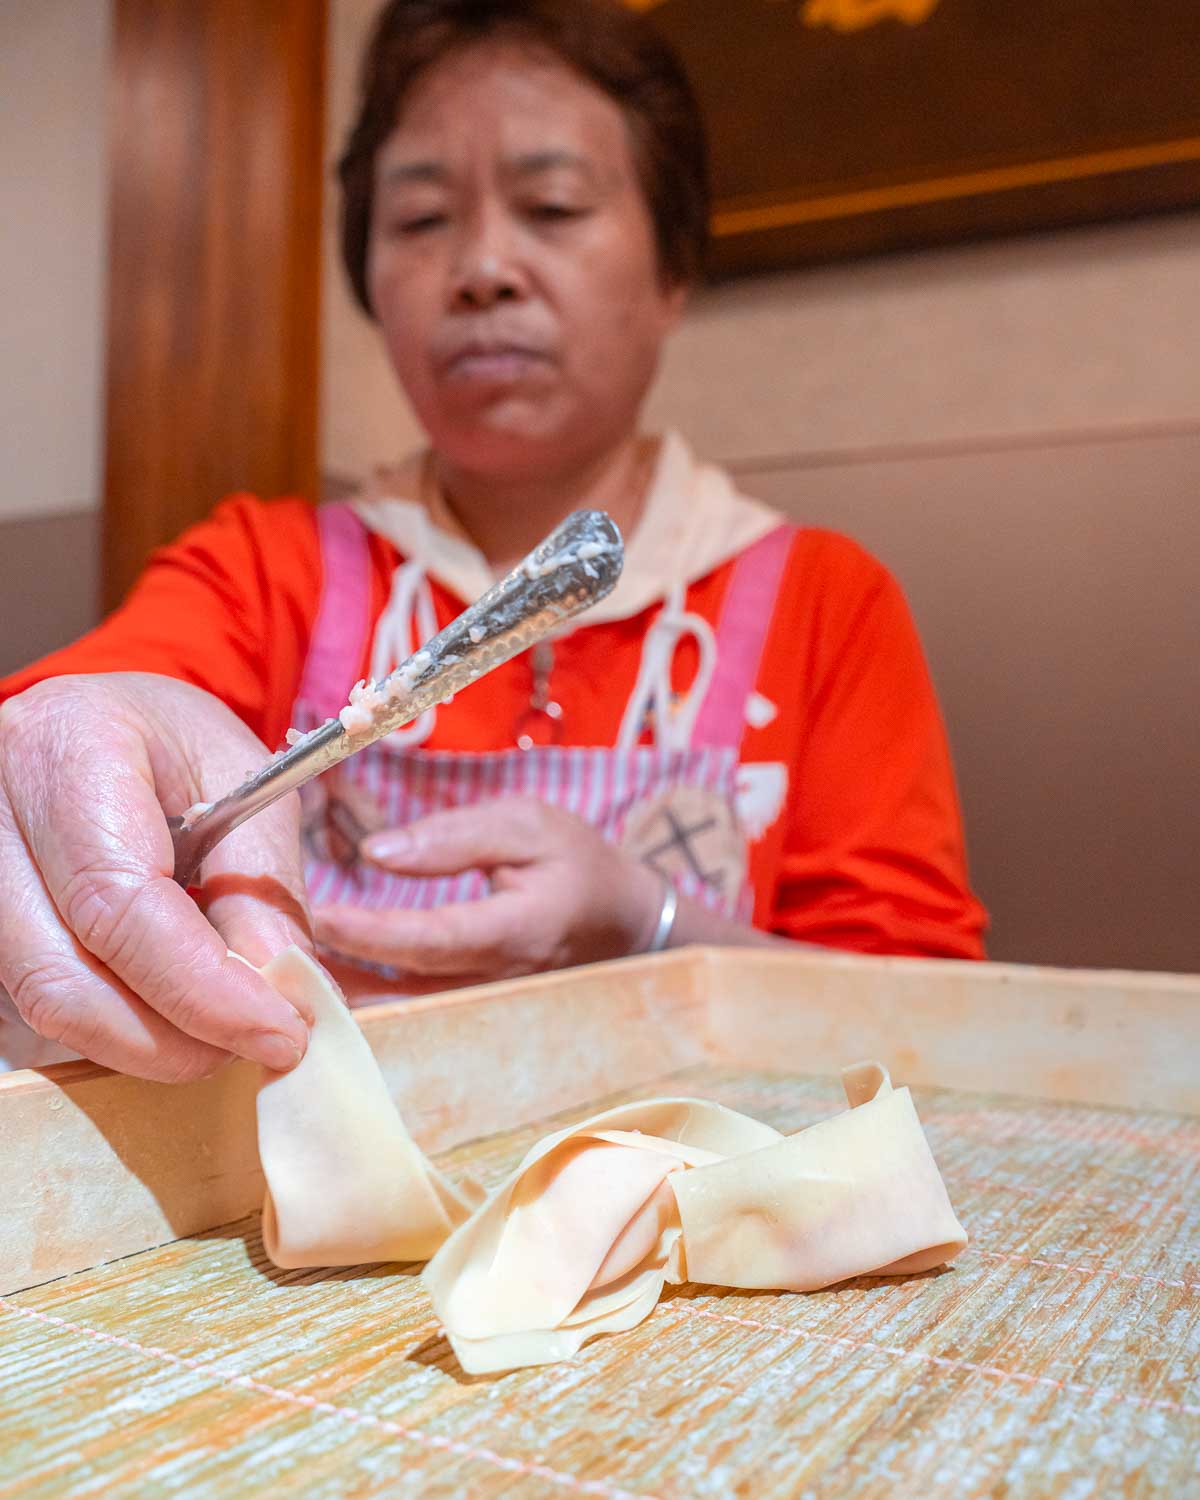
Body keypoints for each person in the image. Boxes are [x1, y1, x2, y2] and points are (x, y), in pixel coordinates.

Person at [0, 0, 985, 1083]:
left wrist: (654, 922)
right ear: (370, 280)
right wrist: (54, 741)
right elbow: (76, 727)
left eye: (552, 206)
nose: (481, 269)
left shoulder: (825, 603)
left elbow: (927, 1021)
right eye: (421, 221)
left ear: (672, 272)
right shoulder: (260, 572)